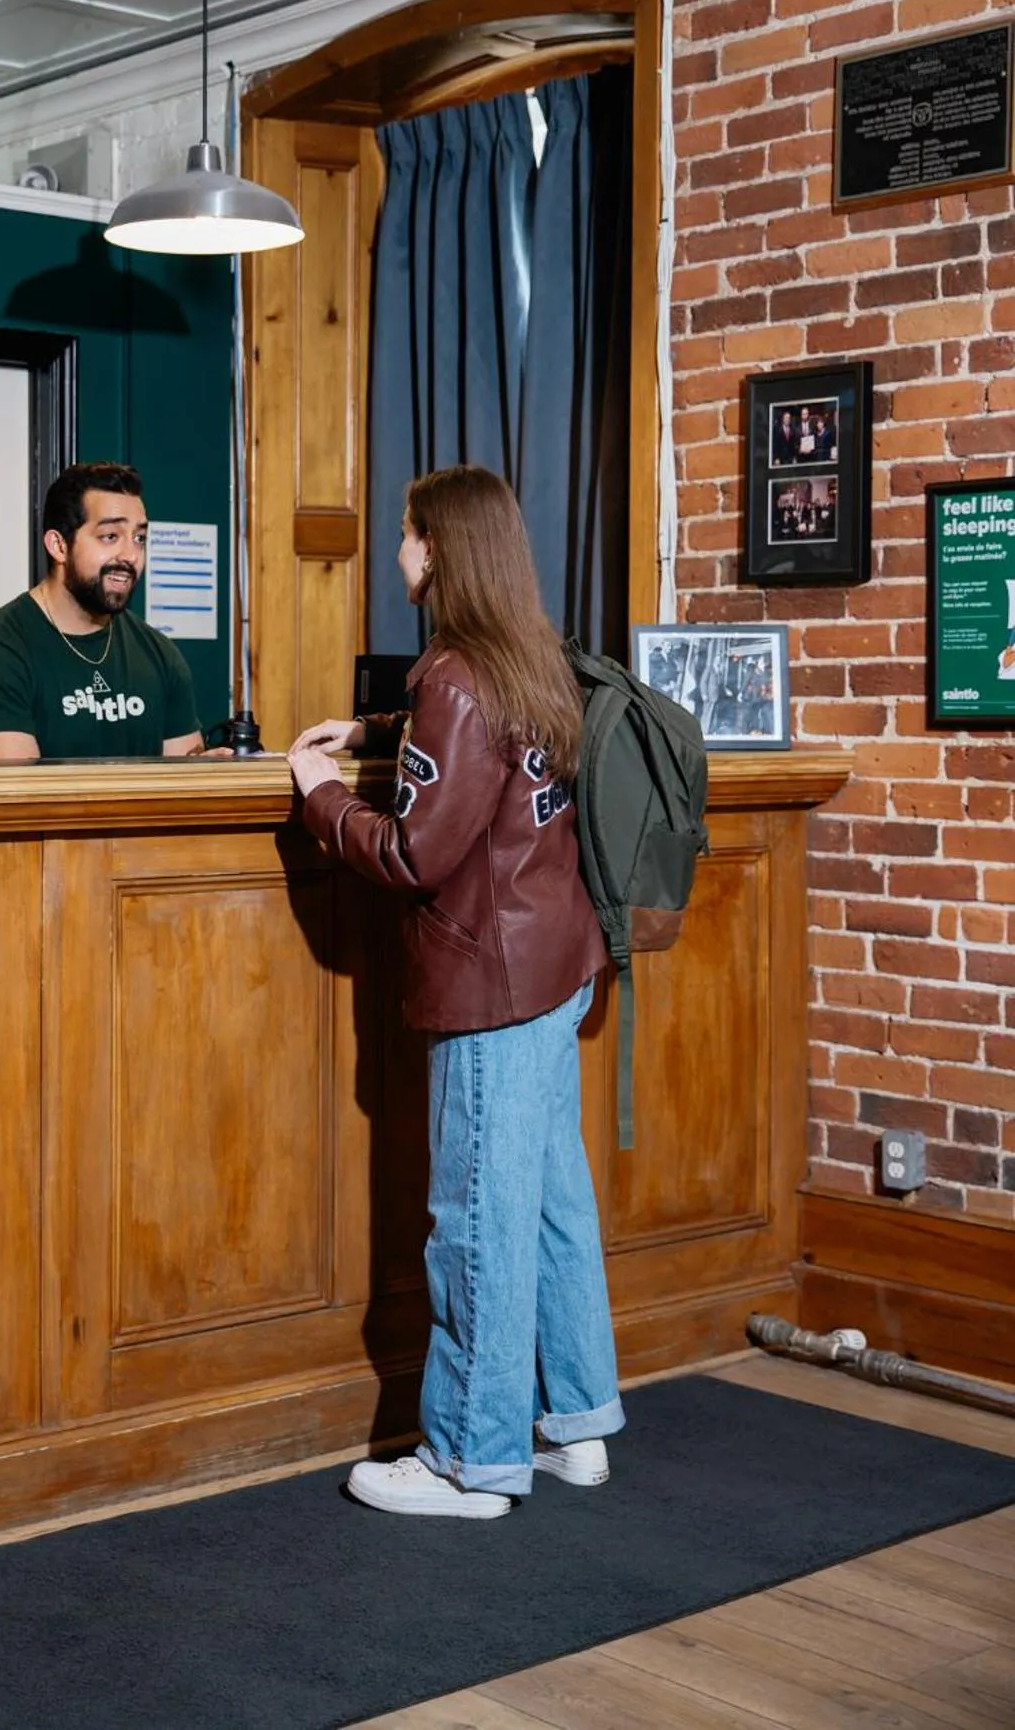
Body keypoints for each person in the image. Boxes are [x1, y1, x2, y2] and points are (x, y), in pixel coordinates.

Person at [288, 465, 621, 1520]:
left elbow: (416, 853)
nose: (397, 552)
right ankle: (578, 1424)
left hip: (490, 983)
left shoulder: (459, 674)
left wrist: (322, 797)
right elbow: (479, 753)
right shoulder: (532, 655)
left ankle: (471, 1461)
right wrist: (380, 729)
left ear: (442, 549)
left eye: (406, 533)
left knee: (475, 1217)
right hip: (556, 966)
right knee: (555, 1203)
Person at [0, 461, 208, 760]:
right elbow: (15, 799)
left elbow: (185, 786)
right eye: (110, 536)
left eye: (139, 538)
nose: (131, 555)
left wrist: (212, 770)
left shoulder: (160, 654)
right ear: (58, 546)